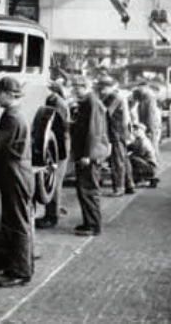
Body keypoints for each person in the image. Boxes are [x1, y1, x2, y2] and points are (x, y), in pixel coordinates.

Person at [0, 76, 35, 288]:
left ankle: (21, 272)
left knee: (17, 223)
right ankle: (17, 266)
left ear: (8, 94)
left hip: (15, 174)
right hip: (20, 172)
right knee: (16, 221)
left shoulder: (10, 116)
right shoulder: (17, 113)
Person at [70, 76, 111, 237]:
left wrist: (87, 154)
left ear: (85, 87)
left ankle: (94, 226)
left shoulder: (91, 103)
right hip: (87, 153)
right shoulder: (87, 102)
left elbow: (93, 131)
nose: (74, 90)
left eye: (77, 87)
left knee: (89, 189)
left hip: (90, 155)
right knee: (84, 189)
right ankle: (89, 222)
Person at [35, 81, 71, 229]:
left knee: (54, 181)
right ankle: (56, 209)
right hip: (59, 143)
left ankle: (52, 217)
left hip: (59, 144)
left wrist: (58, 153)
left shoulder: (56, 103)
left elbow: (60, 128)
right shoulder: (57, 101)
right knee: (56, 181)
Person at [97, 75, 135, 197]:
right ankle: (129, 185)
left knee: (117, 160)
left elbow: (105, 112)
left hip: (117, 133)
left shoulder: (114, 97)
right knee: (124, 159)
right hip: (121, 132)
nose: (102, 90)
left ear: (109, 87)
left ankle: (119, 188)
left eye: (103, 88)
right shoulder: (116, 96)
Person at [134, 81, 161, 160]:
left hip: (149, 124)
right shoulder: (145, 96)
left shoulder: (149, 97)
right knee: (151, 142)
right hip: (146, 123)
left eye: (141, 88)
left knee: (152, 143)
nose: (140, 89)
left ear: (145, 87)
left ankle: (155, 160)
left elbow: (151, 113)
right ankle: (154, 159)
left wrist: (149, 126)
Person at [127, 122, 160, 187]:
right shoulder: (139, 139)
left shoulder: (143, 141)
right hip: (147, 164)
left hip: (150, 166)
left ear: (140, 131)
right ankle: (138, 178)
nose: (133, 131)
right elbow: (131, 147)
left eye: (135, 129)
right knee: (131, 158)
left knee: (131, 159)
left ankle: (140, 178)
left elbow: (139, 153)